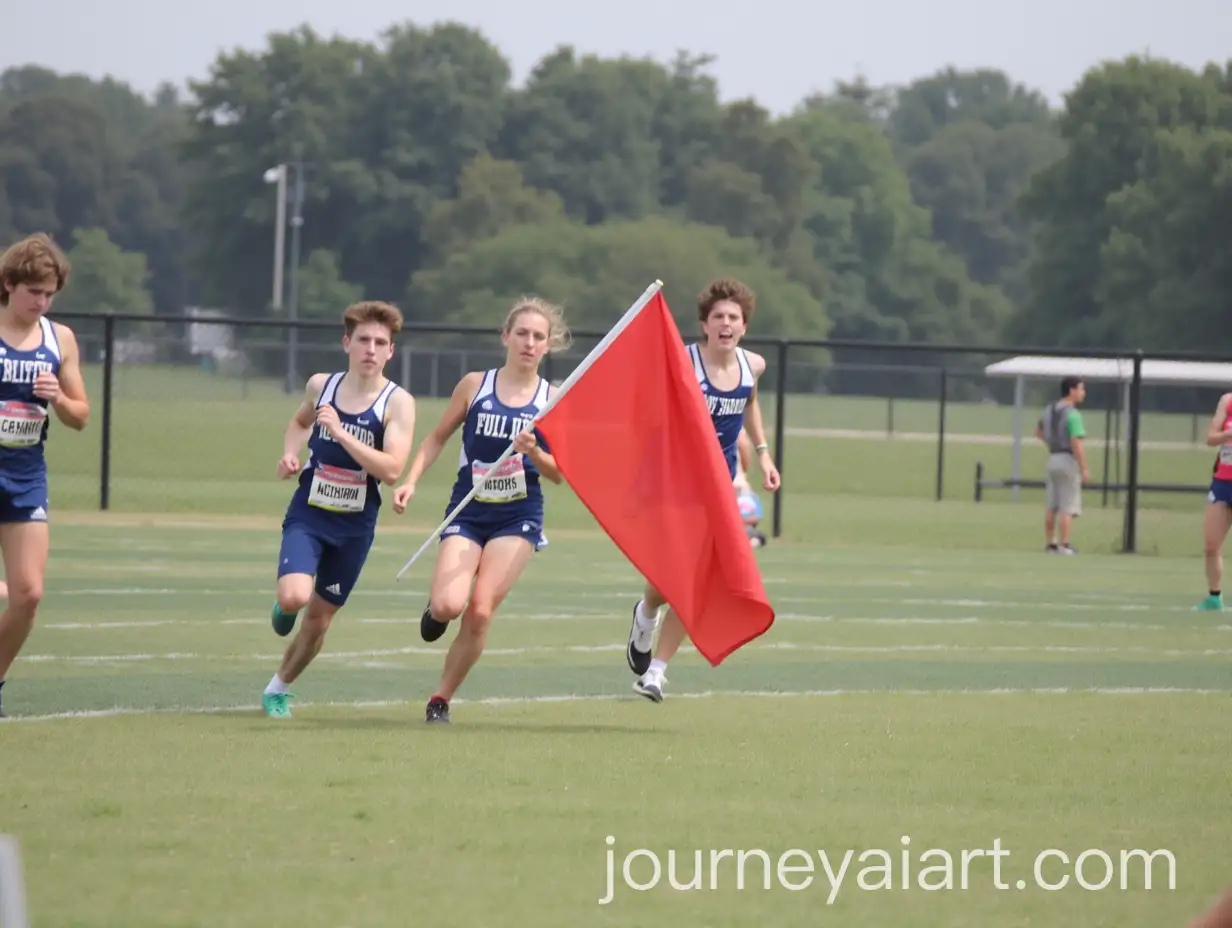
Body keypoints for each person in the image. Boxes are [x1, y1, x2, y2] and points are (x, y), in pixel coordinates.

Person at [392, 297, 569, 724]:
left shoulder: (553, 398)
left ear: (549, 346)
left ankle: (440, 699)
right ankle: (435, 610)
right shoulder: (476, 385)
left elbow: (559, 473)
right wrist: (411, 480)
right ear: (506, 336)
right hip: (468, 511)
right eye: (522, 333)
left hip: (518, 514)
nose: (529, 342)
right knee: (450, 605)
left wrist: (535, 452)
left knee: (481, 609)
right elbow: (437, 437)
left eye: (539, 337)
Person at [626, 277, 781, 703]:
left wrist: (763, 454)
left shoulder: (755, 366)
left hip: (718, 489)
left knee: (695, 581)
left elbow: (749, 403)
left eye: (734, 318)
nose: (726, 324)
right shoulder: (684, 363)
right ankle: (646, 612)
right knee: (666, 580)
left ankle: (657, 671)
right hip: (674, 482)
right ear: (704, 325)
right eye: (718, 317)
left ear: (744, 326)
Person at [261, 300, 416, 719]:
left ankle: (277, 689)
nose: (370, 348)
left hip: (355, 526)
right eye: (363, 339)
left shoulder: (397, 403)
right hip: (310, 511)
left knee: (320, 621)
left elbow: (392, 468)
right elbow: (298, 423)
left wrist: (341, 433)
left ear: (390, 353)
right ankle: (286, 605)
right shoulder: (321, 386)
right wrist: (290, 455)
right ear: (347, 343)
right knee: (294, 597)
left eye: (380, 342)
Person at [0, 233, 89, 718]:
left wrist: (57, 396)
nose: (42, 302)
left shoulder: (60, 340)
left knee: (29, 595)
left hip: (25, 475)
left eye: (50, 293)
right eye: (34, 291)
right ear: (9, 284)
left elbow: (80, 416)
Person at [1034, 376, 1088, 554]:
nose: (1083, 393)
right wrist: (1084, 467)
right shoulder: (1073, 414)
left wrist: (1051, 443)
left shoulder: (1048, 410)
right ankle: (1065, 544)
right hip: (1067, 459)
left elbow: (1037, 432)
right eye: (1081, 389)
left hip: (1052, 458)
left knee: (1052, 505)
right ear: (1071, 390)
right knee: (1067, 504)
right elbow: (1076, 441)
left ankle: (1051, 544)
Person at [1195, 392, 1232, 611]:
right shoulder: (1227, 401)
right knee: (1211, 545)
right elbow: (1210, 438)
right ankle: (1214, 597)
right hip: (1223, 482)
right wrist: (1228, 434)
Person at [734, 428, 767, 548]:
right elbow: (743, 445)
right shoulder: (731, 417)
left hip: (733, 489)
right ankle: (750, 537)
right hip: (740, 488)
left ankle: (748, 537)